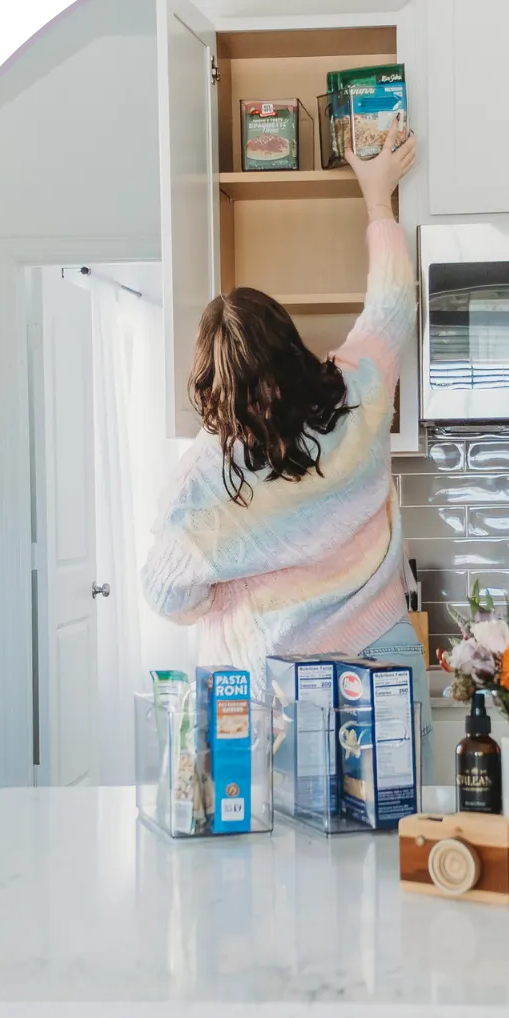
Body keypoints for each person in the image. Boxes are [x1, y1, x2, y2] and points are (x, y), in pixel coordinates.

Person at [140, 114, 431, 756]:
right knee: (399, 839)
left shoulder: (207, 471)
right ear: (289, 344)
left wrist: (221, 591)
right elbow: (392, 302)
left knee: (286, 854)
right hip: (382, 655)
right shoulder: (355, 389)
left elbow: (165, 589)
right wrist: (378, 197)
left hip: (276, 684)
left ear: (211, 381)